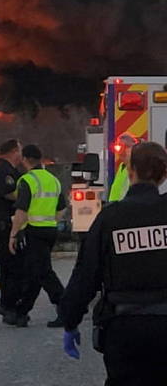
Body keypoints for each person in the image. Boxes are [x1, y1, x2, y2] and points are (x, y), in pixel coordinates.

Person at [59, 141, 167, 384]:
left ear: (130, 172)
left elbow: (85, 276)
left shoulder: (109, 219)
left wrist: (70, 320)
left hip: (125, 331)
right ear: (163, 175)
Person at [7, 144, 66, 327]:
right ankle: (22, 312)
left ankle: (65, 306)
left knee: (43, 272)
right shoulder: (53, 180)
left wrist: (13, 234)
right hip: (50, 230)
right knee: (35, 272)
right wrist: (51, 221)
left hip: (34, 231)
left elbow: (22, 211)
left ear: (25, 160)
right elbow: (62, 207)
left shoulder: (27, 180)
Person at [0, 139, 23, 321]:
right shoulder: (2, 170)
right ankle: (8, 306)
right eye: (19, 151)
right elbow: (9, 192)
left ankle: (9, 306)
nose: (21, 155)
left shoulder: (10, 170)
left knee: (13, 267)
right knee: (11, 267)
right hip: (2, 225)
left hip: (6, 223)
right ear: (13, 151)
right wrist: (28, 196)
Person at [108, 133, 137, 202]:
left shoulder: (136, 167)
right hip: (116, 205)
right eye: (119, 147)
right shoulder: (122, 166)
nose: (121, 152)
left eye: (126, 147)